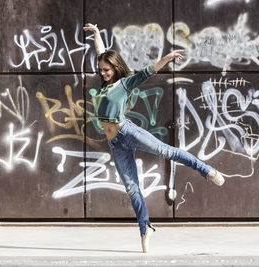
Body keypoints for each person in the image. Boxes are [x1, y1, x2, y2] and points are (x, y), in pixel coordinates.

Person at [83, 23, 225, 253]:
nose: (103, 72)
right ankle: (145, 227)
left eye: (107, 70)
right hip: (115, 143)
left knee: (166, 151)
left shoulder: (125, 83)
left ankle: (207, 170)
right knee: (131, 187)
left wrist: (167, 58)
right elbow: (101, 53)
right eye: (101, 69)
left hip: (127, 131)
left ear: (116, 69)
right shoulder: (104, 83)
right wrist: (98, 34)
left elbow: (148, 71)